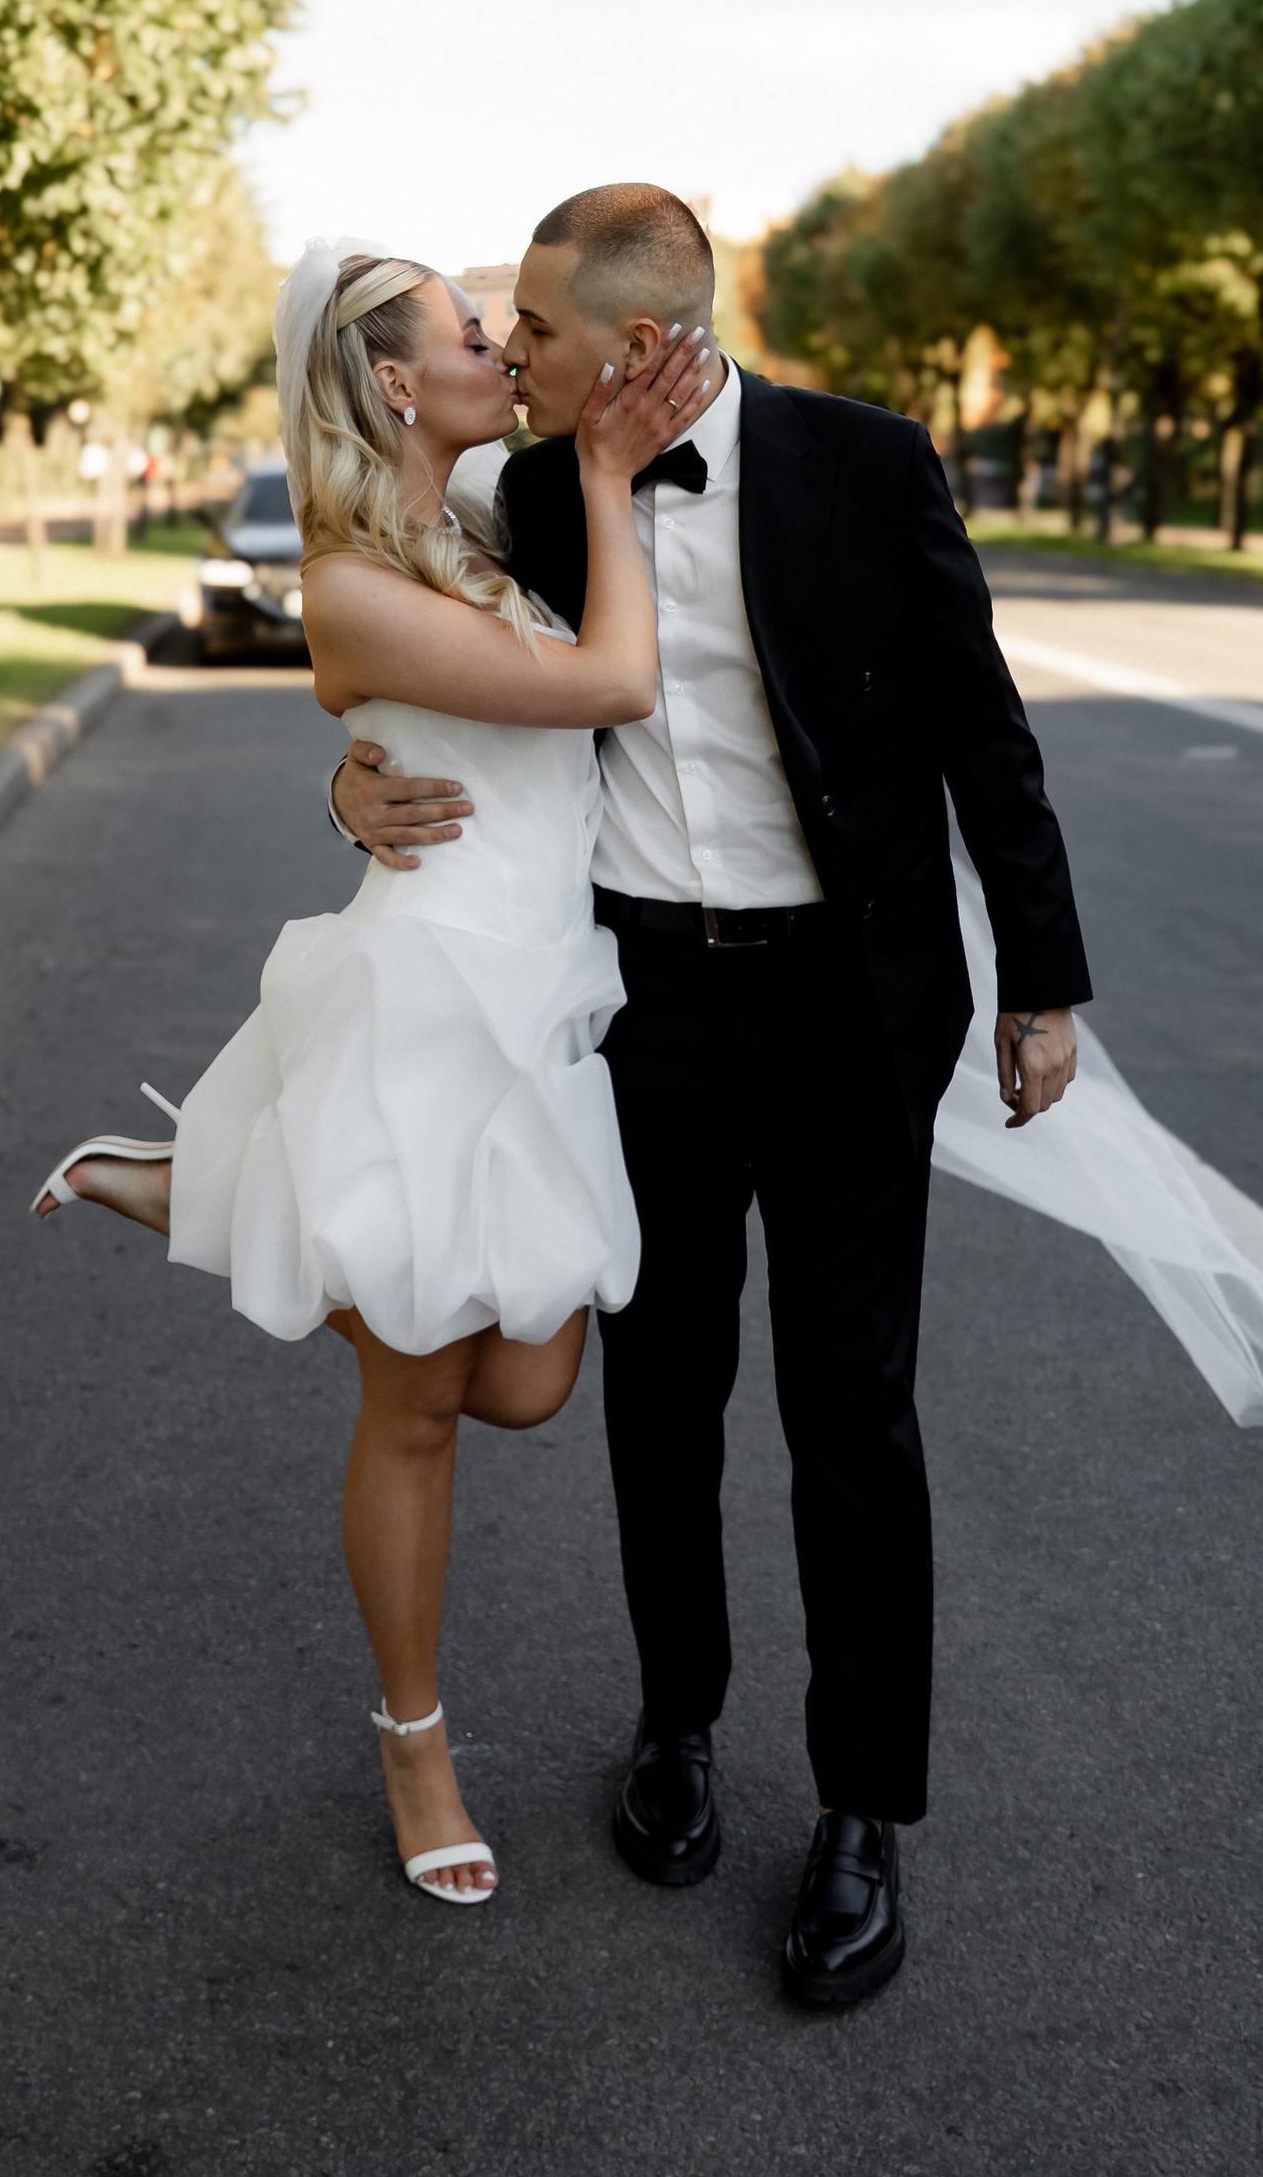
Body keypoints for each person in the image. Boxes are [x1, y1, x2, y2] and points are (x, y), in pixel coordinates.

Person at [332, 183, 1096, 2009]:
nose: (513, 350)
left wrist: (1041, 978)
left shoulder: (867, 463)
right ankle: (675, 1722)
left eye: (538, 328)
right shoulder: (525, 495)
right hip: (643, 1004)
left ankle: (862, 1812)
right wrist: (348, 791)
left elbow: (980, 727)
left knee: (854, 1411)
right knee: (661, 1395)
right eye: (504, 326)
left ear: (642, 344)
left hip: (849, 1004)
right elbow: (414, 682)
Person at [32, 245, 708, 1912]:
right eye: (473, 336)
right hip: (425, 1003)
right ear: (398, 382)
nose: (502, 349)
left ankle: (209, 1187)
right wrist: (606, 474)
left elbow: (475, 729)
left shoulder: (475, 524)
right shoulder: (344, 584)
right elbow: (611, 683)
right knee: (414, 1408)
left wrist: (351, 782)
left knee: (528, 1383)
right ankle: (416, 1743)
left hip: (541, 1002)